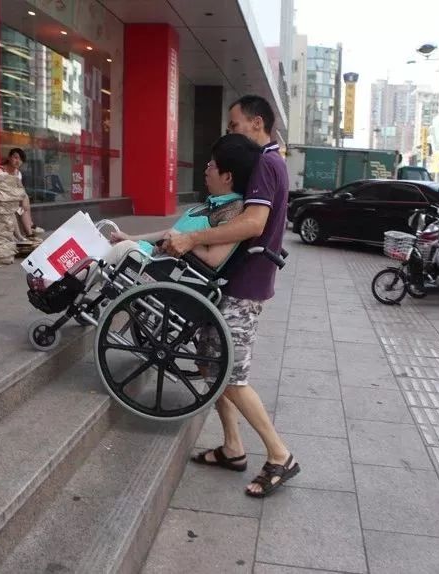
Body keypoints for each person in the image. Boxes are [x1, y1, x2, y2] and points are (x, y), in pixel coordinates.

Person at [164, 95, 299, 498]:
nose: (230, 133)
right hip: (233, 283)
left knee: (234, 378)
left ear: (257, 123)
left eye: (234, 125)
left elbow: (253, 223)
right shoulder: (271, 161)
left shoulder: (264, 164)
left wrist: (193, 238)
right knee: (214, 370)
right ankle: (233, 448)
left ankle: (280, 456)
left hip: (244, 286)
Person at [29, 133, 260, 292]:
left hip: (170, 273)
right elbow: (172, 231)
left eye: (211, 166)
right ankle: (65, 282)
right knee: (112, 241)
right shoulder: (211, 203)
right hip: (157, 260)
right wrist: (132, 237)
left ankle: (60, 284)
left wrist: (188, 241)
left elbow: (214, 259)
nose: (206, 171)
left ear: (227, 177)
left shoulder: (233, 212)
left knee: (122, 250)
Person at [0, 148, 42, 241]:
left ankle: (29, 233)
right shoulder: (0, 170)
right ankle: (28, 228)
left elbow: (21, 189)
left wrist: (24, 200)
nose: (18, 161)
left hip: (12, 199)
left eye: (20, 159)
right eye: (15, 157)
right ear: (9, 158)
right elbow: (1, 189)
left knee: (23, 205)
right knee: (21, 203)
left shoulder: (18, 173)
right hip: (2, 199)